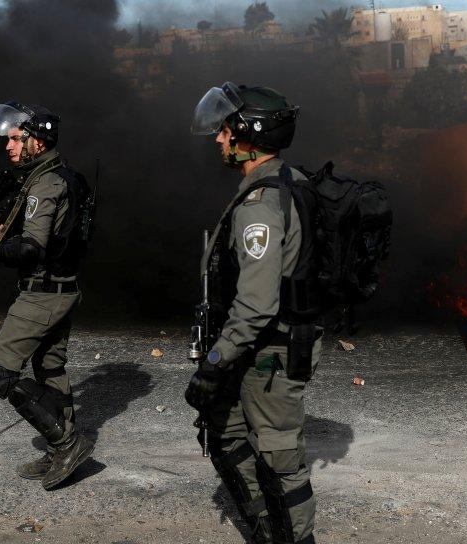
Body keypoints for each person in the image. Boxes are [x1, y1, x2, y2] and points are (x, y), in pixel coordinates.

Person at [185, 83, 322, 543]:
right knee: (225, 429)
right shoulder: (289, 181)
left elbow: (257, 304)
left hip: (270, 351)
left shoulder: (260, 206)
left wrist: (215, 361)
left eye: (225, 131)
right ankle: (266, 529)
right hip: (269, 343)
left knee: (279, 458)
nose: (218, 139)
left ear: (249, 133)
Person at [0, 102, 94, 491]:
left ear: (37, 141)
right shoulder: (61, 176)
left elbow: (32, 248)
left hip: (42, 294)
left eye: (15, 139)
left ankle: (66, 443)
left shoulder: (44, 183)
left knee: (2, 374)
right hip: (63, 287)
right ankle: (58, 450)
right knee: (51, 369)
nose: (8, 147)